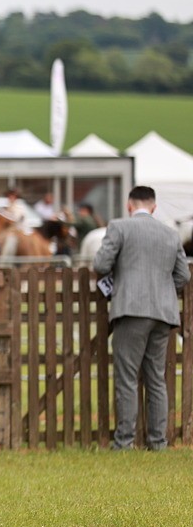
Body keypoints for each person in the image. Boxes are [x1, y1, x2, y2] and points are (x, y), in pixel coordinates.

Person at [93, 186, 189, 451]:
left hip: (131, 309)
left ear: (129, 205)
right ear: (154, 207)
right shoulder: (170, 234)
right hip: (163, 313)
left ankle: (124, 442)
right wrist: (161, 289)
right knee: (156, 379)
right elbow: (183, 276)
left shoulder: (119, 227)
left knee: (127, 377)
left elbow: (101, 264)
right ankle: (158, 442)